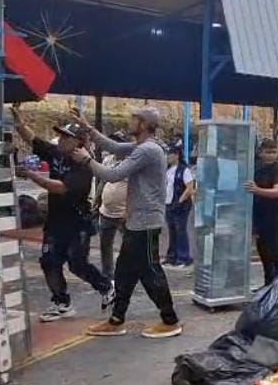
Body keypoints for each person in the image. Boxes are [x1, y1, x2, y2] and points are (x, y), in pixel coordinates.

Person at [70, 107, 181, 339]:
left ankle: (170, 321)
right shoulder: (143, 147)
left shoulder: (148, 150)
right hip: (136, 222)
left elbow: (113, 175)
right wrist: (88, 128)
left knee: (151, 271)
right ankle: (116, 320)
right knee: (124, 272)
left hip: (146, 223)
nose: (130, 123)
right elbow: (114, 147)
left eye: (134, 120)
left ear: (144, 124)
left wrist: (87, 160)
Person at [11, 105, 114, 323]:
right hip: (55, 222)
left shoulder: (84, 166)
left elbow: (59, 187)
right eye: (61, 136)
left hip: (77, 223)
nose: (62, 139)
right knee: (49, 261)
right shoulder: (56, 153)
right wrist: (19, 123)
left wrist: (31, 174)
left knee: (77, 264)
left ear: (79, 142)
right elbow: (33, 140)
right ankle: (61, 303)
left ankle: (106, 287)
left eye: (67, 137)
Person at [245, 139, 278, 286]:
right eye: (268, 152)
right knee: (263, 251)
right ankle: (268, 283)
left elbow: (277, 192)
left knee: (275, 252)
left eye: (274, 152)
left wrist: (257, 190)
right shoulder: (255, 166)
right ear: (260, 152)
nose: (271, 155)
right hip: (258, 215)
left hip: (273, 216)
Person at [94, 131, 130, 279]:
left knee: (128, 246)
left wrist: (129, 210)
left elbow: (135, 188)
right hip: (106, 211)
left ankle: (126, 273)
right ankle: (107, 273)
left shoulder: (130, 163)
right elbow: (102, 181)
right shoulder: (108, 160)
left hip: (124, 213)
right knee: (105, 244)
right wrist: (96, 199)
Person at [164, 146, 195, 269]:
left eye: (170, 154)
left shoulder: (184, 170)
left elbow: (189, 188)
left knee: (180, 230)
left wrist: (180, 201)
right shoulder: (168, 170)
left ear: (177, 155)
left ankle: (183, 257)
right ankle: (172, 256)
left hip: (181, 205)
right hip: (168, 203)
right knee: (172, 231)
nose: (168, 157)